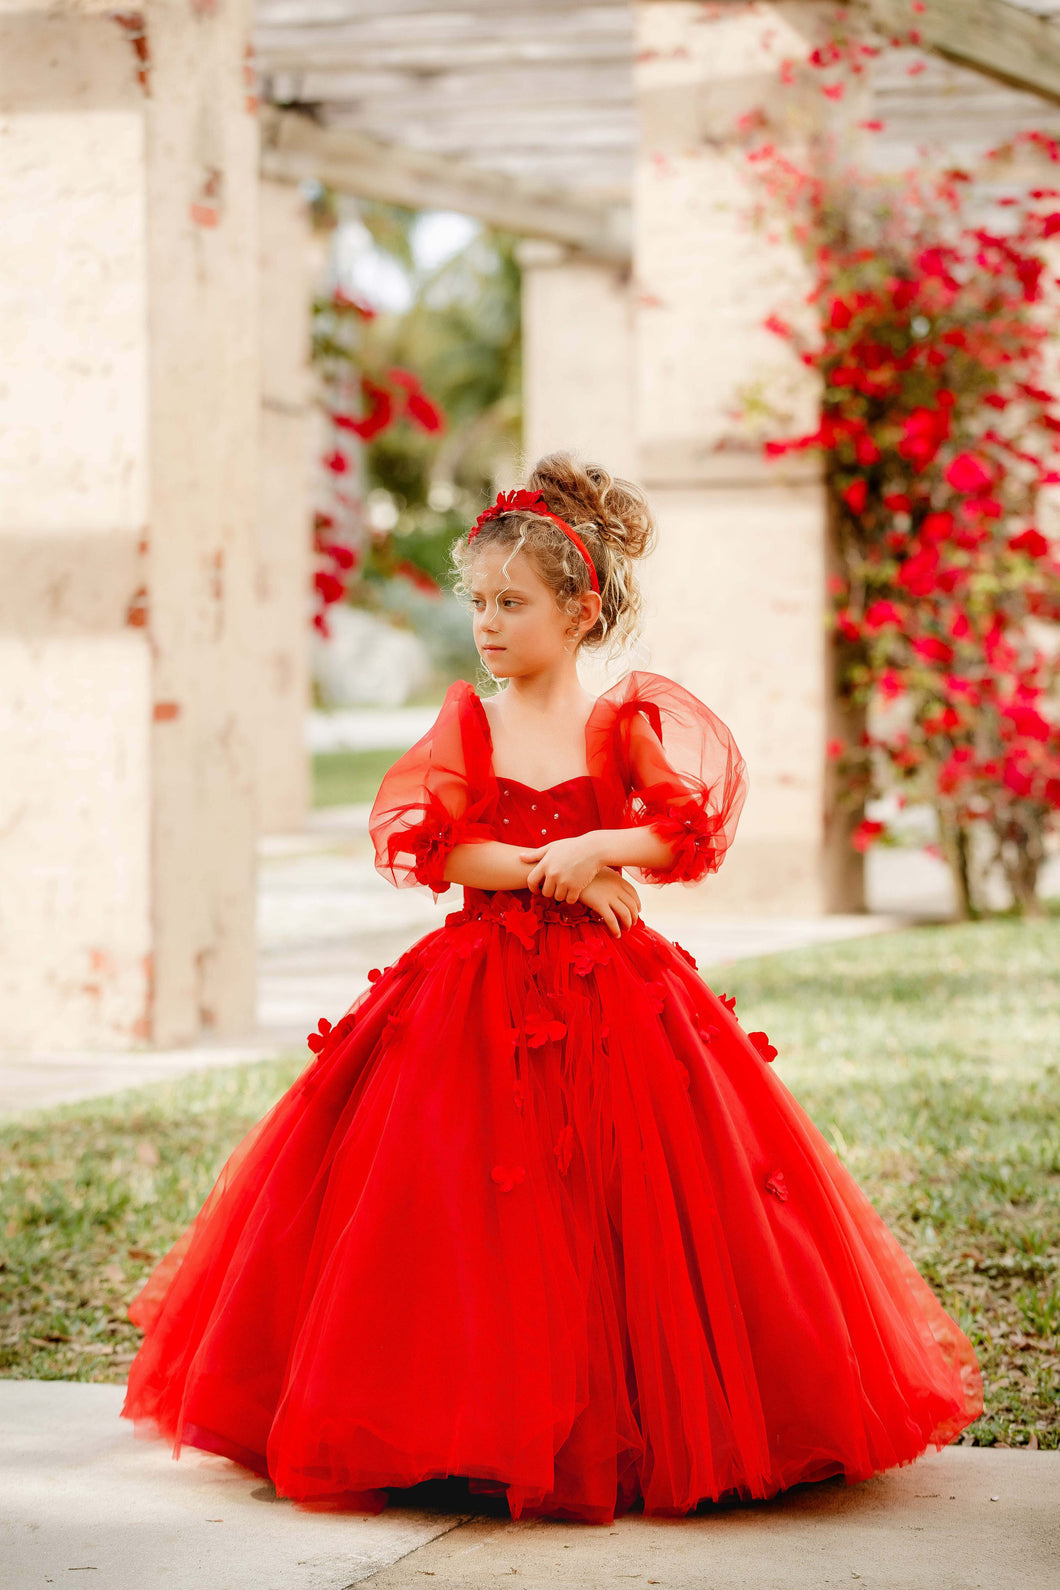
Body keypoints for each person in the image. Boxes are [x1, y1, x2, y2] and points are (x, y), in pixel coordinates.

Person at [120, 453, 983, 1525]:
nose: (487, 624)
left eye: (511, 603)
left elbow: (682, 827)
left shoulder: (616, 723)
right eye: (476, 602)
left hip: (613, 996)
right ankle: (453, 1412)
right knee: (456, 1192)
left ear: (577, 612)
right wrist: (562, 866)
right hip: (473, 991)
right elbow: (439, 848)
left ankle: (636, 1421)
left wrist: (604, 844)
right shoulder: (468, 724)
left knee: (627, 1196)